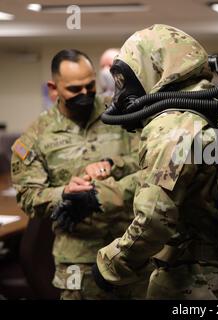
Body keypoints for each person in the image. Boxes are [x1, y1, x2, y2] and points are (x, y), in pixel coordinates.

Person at [91, 24, 218, 300]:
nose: (121, 91)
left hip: (189, 276)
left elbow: (154, 219)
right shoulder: (206, 108)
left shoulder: (173, 126)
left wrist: (110, 264)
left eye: (125, 80)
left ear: (153, 70)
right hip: (216, 269)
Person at [11, 49, 147, 299]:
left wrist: (112, 164)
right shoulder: (35, 137)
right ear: (54, 88)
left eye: (89, 85)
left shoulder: (120, 116)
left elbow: (150, 168)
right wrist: (64, 192)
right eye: (75, 89)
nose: (84, 94)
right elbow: (28, 197)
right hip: (78, 259)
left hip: (131, 249)